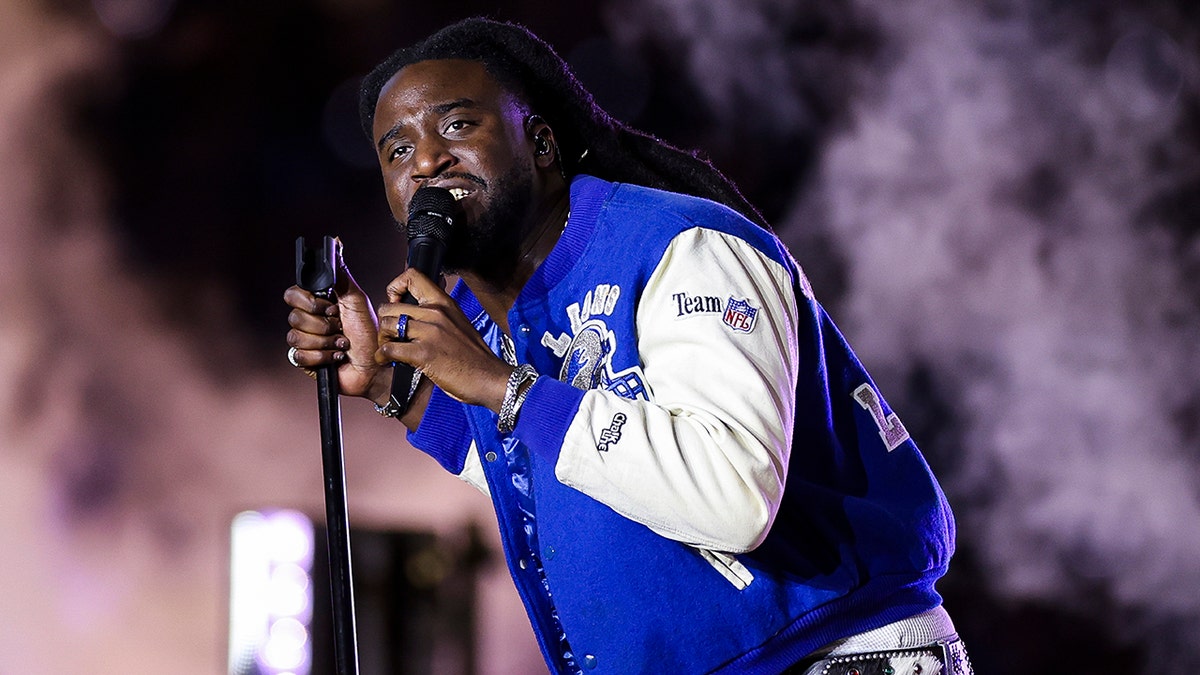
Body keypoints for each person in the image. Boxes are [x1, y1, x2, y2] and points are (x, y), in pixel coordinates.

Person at [284, 17, 972, 675]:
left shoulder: (682, 246)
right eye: (398, 149)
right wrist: (388, 384)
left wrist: (502, 386)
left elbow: (732, 496)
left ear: (543, 145)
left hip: (838, 657)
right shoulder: (480, 314)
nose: (427, 157)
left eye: (459, 124)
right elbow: (556, 473)